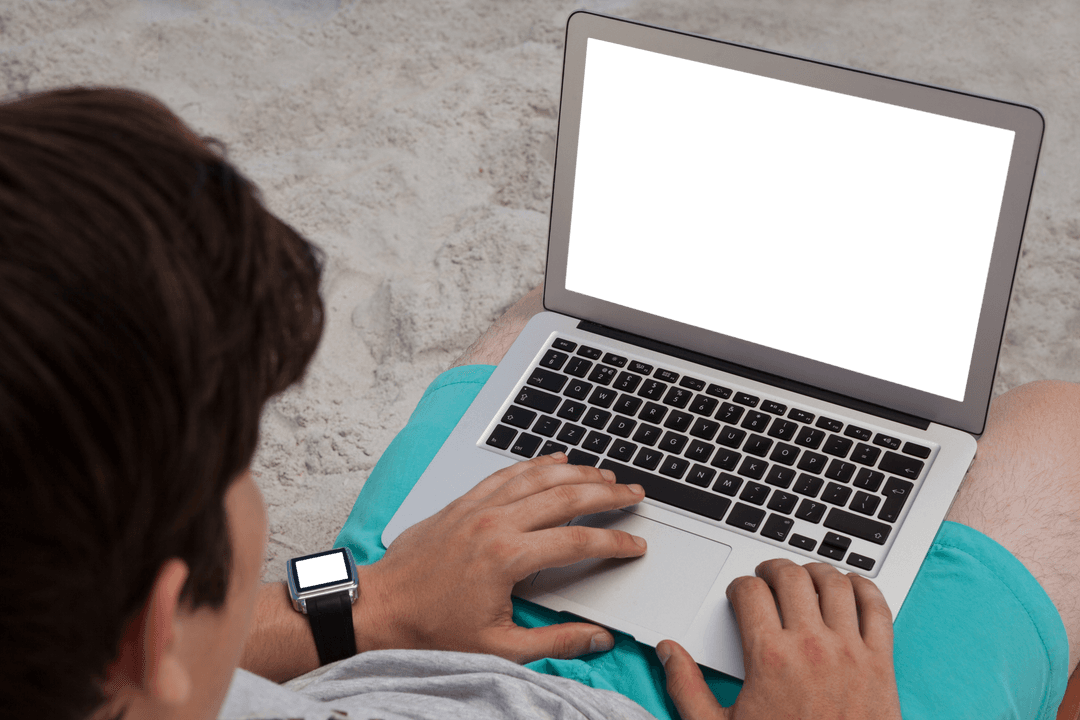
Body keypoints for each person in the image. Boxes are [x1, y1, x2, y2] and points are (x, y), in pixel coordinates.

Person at [0, 86, 1073, 720]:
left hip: (393, 628)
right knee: (1061, 427)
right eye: (234, 456)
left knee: (553, 327)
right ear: (152, 634)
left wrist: (362, 608)